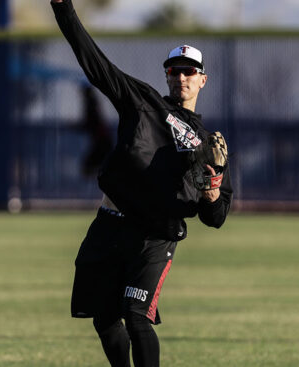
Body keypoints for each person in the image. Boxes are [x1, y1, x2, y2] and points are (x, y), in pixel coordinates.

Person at [50, 0, 233, 366]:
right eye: (174, 71)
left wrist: (212, 185)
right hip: (110, 224)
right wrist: (63, 8)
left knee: (136, 315)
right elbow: (94, 62)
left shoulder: (208, 143)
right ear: (167, 75)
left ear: (202, 79)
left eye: (189, 72)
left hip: (155, 235)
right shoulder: (143, 101)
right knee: (104, 318)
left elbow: (216, 216)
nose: (181, 78)